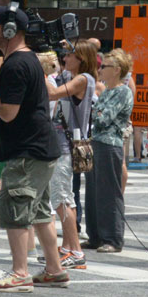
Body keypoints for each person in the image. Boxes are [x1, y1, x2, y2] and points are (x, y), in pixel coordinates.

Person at [0, 5, 67, 291]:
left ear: (9, 30)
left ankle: (20, 272)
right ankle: (54, 269)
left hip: (27, 150)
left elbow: (7, 112)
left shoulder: (16, 65)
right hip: (40, 148)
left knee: (15, 205)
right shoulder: (28, 59)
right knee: (40, 210)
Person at [45, 41, 98, 268]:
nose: (65, 59)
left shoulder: (83, 79)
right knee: (68, 197)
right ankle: (68, 247)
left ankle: (76, 252)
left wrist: (45, 72)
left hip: (66, 147)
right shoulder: (73, 77)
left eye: (70, 55)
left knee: (60, 199)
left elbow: (53, 94)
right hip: (65, 145)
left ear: (82, 58)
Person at [84, 48, 134, 253]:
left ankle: (112, 238)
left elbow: (103, 118)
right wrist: (98, 112)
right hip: (96, 142)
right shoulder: (106, 91)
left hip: (109, 144)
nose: (101, 69)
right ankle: (95, 235)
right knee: (93, 192)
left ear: (117, 70)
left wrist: (98, 111)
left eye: (105, 66)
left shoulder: (123, 91)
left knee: (109, 192)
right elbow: (95, 113)